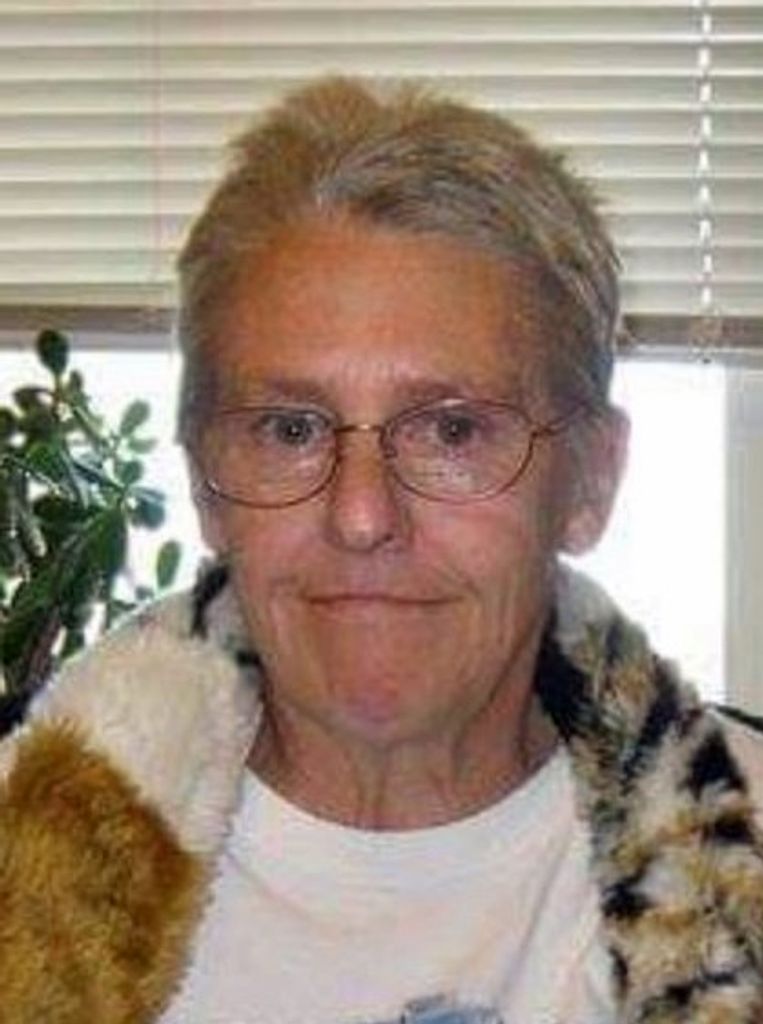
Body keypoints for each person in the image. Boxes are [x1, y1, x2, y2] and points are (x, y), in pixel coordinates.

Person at [0, 76, 762, 1024]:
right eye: (288, 428)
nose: (361, 516)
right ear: (203, 479)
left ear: (591, 481)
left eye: (451, 430)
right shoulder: (19, 846)